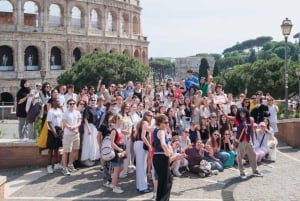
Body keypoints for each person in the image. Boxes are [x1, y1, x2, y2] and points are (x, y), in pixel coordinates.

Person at [235, 107, 263, 179]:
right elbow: (239, 126)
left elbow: (251, 131)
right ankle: (242, 172)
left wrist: (252, 140)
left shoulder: (249, 120)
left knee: (253, 154)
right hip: (240, 140)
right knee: (240, 156)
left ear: (246, 113)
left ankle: (255, 170)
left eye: (243, 113)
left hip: (248, 140)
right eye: (240, 113)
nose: (242, 114)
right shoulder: (237, 119)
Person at [152, 114, 172, 201]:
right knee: (166, 181)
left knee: (164, 181)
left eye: (168, 122)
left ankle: (160, 198)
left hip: (158, 157)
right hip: (161, 157)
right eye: (166, 122)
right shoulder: (161, 131)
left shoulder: (156, 130)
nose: (168, 124)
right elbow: (163, 144)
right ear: (160, 123)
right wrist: (168, 153)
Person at [134, 111, 153, 193]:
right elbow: (142, 136)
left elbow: (135, 135)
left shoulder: (141, 123)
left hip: (138, 144)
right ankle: (143, 187)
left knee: (140, 167)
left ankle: (140, 185)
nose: (151, 117)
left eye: (152, 116)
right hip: (141, 144)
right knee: (142, 167)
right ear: (145, 116)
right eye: (150, 115)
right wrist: (149, 146)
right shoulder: (144, 123)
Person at [61, 99, 82, 176]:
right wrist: (72, 129)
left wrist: (75, 127)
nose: (72, 105)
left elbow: (79, 122)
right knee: (66, 151)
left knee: (75, 150)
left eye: (73, 103)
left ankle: (70, 165)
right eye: (70, 104)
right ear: (68, 104)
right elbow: (65, 123)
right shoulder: (65, 113)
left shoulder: (77, 112)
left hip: (76, 134)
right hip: (68, 134)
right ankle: (64, 168)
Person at [81, 97, 99, 166]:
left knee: (92, 144)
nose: (93, 101)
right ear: (89, 101)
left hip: (94, 127)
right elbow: (85, 119)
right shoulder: (87, 109)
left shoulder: (94, 108)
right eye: (92, 100)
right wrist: (88, 129)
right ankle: (86, 159)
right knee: (88, 143)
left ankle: (91, 158)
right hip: (89, 127)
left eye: (94, 100)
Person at [46, 98, 63, 173]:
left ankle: (56, 164)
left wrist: (61, 129)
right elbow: (49, 122)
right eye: (57, 101)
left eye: (59, 101)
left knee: (57, 149)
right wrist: (54, 132)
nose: (59, 102)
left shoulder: (59, 110)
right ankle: (49, 165)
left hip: (58, 131)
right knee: (51, 149)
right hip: (52, 131)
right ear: (53, 102)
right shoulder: (50, 111)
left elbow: (62, 121)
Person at [110, 114, 126, 193]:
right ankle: (114, 186)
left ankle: (114, 180)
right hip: (117, 151)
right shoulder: (114, 130)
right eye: (120, 118)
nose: (122, 120)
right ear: (117, 120)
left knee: (121, 167)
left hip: (120, 151)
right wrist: (119, 149)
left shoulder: (119, 128)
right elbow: (112, 143)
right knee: (117, 170)